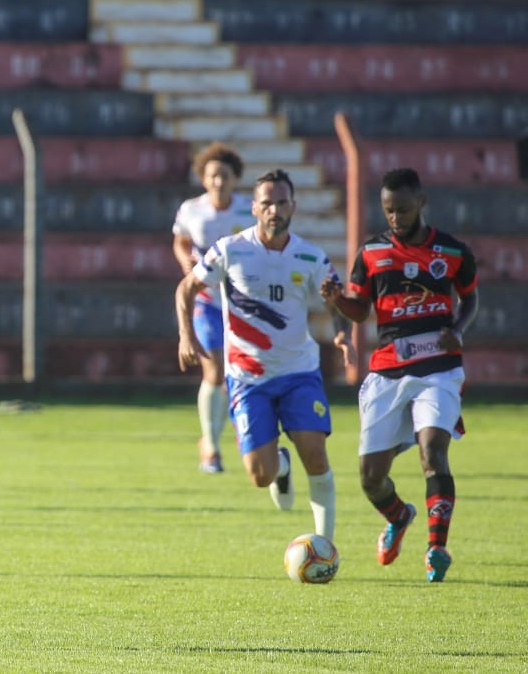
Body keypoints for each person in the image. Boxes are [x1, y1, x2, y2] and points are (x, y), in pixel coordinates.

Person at [176, 169, 353, 542]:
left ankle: (325, 546)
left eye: (282, 202)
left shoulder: (310, 255)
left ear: (294, 206)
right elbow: (186, 287)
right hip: (247, 378)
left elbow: (334, 298)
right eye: (267, 203)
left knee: (317, 458)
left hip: (299, 372)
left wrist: (341, 332)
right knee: (260, 476)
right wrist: (186, 336)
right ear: (254, 208)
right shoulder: (230, 250)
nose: (275, 209)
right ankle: (280, 467)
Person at [323, 167, 479, 583]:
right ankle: (399, 516)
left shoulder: (452, 252)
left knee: (434, 454)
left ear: (422, 203)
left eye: (403, 209)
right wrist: (338, 300)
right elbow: (359, 309)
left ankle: (436, 548)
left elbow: (470, 298)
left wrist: (457, 331)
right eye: (389, 210)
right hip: (388, 371)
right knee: (371, 478)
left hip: (439, 370)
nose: (396, 217)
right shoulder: (371, 253)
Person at [172, 142, 253, 473]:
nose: (219, 182)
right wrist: (187, 268)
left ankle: (220, 437)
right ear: (203, 178)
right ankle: (211, 446)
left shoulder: (249, 210)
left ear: (235, 178)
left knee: (237, 374)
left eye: (225, 176)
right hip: (206, 301)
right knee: (215, 369)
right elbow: (180, 241)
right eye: (213, 176)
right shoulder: (192, 209)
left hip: (242, 303)